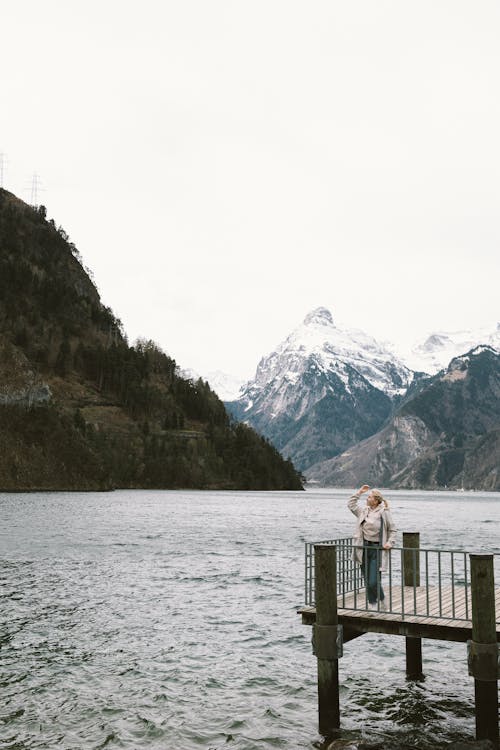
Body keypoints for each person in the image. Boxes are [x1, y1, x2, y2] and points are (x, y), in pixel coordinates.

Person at [348, 484, 397, 611]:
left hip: (377, 550)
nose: (367, 499)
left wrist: (390, 543)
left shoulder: (384, 512)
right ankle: (372, 604)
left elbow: (392, 530)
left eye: (369, 497)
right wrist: (359, 492)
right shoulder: (363, 511)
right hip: (363, 548)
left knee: (373, 581)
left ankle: (381, 599)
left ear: (375, 500)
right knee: (366, 580)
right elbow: (351, 505)